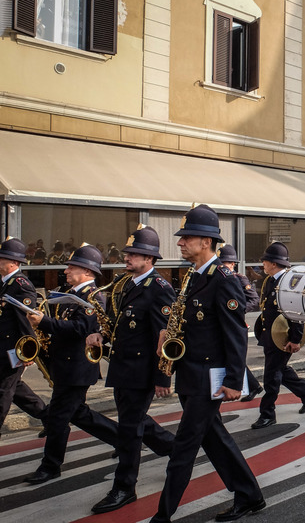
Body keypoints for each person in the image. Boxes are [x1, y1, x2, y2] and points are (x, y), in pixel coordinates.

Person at [151, 204, 263, 522]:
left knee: (184, 448)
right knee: (214, 438)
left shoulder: (223, 280)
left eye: (187, 237)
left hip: (208, 378)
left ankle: (162, 516)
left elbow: (235, 336)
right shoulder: (192, 277)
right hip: (190, 374)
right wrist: (166, 332)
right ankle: (250, 495)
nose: (180, 242)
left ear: (206, 242)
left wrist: (232, 381)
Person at [86, 225, 176, 514]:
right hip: (123, 368)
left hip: (141, 371)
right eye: (127, 253)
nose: (126, 257)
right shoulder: (127, 284)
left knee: (129, 429)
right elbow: (118, 322)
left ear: (149, 259)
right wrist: (102, 333)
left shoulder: (159, 289)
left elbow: (166, 337)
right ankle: (173, 448)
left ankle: (124, 487)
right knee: (134, 421)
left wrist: (163, 376)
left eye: (134, 253)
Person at [24, 244, 125, 484]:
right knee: (79, 414)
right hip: (65, 366)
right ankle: (124, 439)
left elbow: (81, 329)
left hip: (77, 368)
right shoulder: (71, 295)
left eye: (72, 267)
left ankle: (50, 466)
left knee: (58, 417)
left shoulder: (93, 297)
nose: (66, 270)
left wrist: (44, 323)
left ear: (88, 272)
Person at [251, 242, 305, 429]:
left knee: (272, 376)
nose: (263, 263)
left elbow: (294, 313)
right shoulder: (269, 280)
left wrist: (295, 340)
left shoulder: (287, 282)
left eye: (265, 260)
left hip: (283, 337)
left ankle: (267, 413)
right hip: (270, 335)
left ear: (273, 263)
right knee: (280, 370)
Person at [0, 237, 47, 434]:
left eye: (2, 258)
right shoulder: (4, 283)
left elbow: (27, 321)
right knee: (16, 389)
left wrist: (28, 351)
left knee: (3, 391)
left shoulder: (21, 285)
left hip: (14, 349)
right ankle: (49, 418)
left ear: (14, 263)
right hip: (3, 347)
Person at [218, 244, 263, 402]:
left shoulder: (239, 278)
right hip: (222, 324)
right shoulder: (218, 279)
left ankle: (252, 386)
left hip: (236, 323)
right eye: (220, 262)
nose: (223, 266)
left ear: (232, 264)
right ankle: (253, 386)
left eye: (226, 263)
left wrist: (239, 311)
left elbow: (254, 299)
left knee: (235, 357)